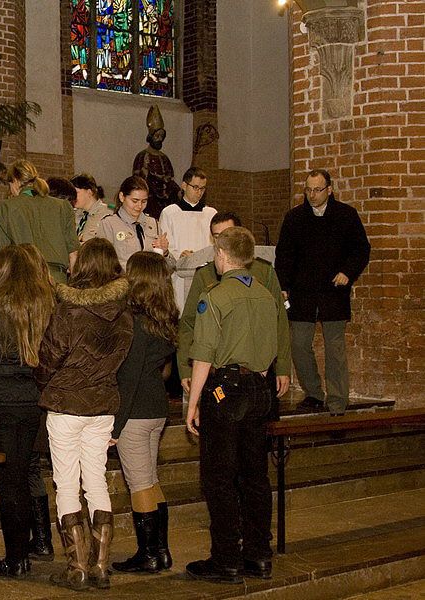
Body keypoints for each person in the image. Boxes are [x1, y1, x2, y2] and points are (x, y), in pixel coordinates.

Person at [36, 237, 134, 591]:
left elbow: (49, 356)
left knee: (66, 484)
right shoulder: (125, 312)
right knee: (96, 480)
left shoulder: (68, 308)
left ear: (84, 266)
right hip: (103, 403)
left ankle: (77, 566)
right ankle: (101, 566)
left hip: (66, 404)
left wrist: (44, 380)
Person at [184, 226, 279, 585]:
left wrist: (193, 404)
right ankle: (258, 555)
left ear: (221, 256)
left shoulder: (216, 296)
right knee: (255, 475)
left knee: (219, 477)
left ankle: (225, 559)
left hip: (226, 389)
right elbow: (269, 352)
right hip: (259, 387)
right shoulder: (267, 297)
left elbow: (204, 354)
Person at [0, 244, 56, 578]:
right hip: (37, 400)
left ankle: (16, 558)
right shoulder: (48, 303)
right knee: (28, 472)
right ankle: (38, 543)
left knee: (11, 483)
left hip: (3, 401)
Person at [275, 169, 370, 415]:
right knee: (298, 345)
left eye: (317, 190)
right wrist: (283, 286)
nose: (312, 195)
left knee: (335, 348)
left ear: (329, 190)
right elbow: (283, 255)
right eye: (308, 190)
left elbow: (361, 248)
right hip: (302, 293)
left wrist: (348, 272)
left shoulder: (346, 215)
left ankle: (338, 400)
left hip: (333, 292)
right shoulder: (294, 218)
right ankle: (314, 393)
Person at [110, 251, 179, 575]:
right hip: (157, 409)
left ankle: (147, 553)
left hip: (135, 412)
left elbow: (129, 377)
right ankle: (161, 550)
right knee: (151, 480)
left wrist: (115, 426)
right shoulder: (164, 319)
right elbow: (161, 371)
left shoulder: (135, 323)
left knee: (138, 484)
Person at [179, 212, 292, 410]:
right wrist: (185, 368)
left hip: (259, 370)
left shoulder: (263, 272)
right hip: (218, 372)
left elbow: (279, 322)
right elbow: (189, 323)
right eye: (216, 236)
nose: (222, 241)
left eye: (227, 234)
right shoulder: (205, 274)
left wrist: (282, 365)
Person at [0, 160, 79, 283]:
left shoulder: (7, 207)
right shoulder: (63, 206)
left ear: (16, 181)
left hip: (23, 279)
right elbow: (73, 253)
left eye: (9, 184)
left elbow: (2, 255)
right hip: (57, 280)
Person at [159, 166, 217, 312]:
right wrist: (181, 256)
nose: (199, 192)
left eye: (202, 188)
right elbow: (166, 244)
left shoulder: (211, 214)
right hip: (181, 274)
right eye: (195, 187)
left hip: (206, 274)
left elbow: (215, 245)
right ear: (184, 185)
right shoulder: (170, 212)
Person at [97, 175, 171, 270]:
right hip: (123, 282)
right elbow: (103, 264)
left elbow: (169, 268)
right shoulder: (109, 224)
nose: (139, 206)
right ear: (122, 197)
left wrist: (165, 252)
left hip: (150, 282)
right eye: (134, 201)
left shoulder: (153, 224)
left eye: (144, 201)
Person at [132, 105, 180, 220]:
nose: (159, 139)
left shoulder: (165, 158)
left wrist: (179, 191)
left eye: (161, 136)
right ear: (151, 137)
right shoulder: (142, 156)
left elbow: (170, 180)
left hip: (166, 202)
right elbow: (138, 181)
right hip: (150, 201)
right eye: (157, 136)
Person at [70, 173, 112, 243]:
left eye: (76, 192)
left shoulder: (106, 216)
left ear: (89, 192)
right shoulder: (74, 214)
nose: (73, 197)